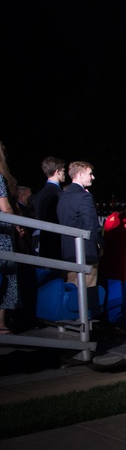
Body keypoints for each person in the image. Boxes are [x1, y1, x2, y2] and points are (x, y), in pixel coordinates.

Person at [57, 161, 102, 288]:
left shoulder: (62, 196)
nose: (93, 177)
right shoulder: (84, 196)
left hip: (67, 251)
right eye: (90, 174)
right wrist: (100, 245)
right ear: (81, 175)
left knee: (72, 289)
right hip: (85, 252)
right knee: (86, 293)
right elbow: (92, 225)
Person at [0, 142, 21, 335]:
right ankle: (0, 324)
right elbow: (5, 208)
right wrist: (17, 225)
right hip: (2, 236)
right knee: (4, 277)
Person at [32, 156, 66, 260]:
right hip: (55, 239)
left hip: (43, 239)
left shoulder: (39, 194)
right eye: (63, 171)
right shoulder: (58, 194)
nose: (64, 174)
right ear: (57, 172)